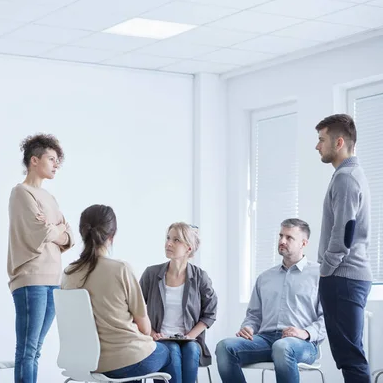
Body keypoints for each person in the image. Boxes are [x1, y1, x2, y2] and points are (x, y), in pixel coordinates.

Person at [62, 205, 180, 383]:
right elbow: (145, 329)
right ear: (112, 235)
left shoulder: (68, 273)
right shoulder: (120, 269)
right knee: (168, 351)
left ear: (82, 232)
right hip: (125, 360)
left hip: (85, 363)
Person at [216, 218, 326, 383]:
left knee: (282, 347)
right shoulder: (265, 277)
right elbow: (254, 315)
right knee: (224, 347)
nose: (282, 241)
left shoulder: (319, 275)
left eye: (289, 237)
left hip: (302, 344)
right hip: (266, 340)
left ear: (303, 243)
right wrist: (248, 327)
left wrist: (305, 333)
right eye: (281, 235)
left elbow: (329, 318)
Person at [7, 134, 75, 383]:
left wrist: (55, 230)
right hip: (30, 279)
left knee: (35, 350)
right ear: (34, 160)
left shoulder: (50, 199)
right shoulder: (21, 193)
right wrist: (55, 230)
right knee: (27, 349)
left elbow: (70, 237)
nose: (56, 165)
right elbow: (42, 232)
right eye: (52, 159)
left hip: (53, 279)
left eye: (58, 161)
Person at [315, 114, 372, 381]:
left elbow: (344, 233)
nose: (317, 146)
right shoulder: (350, 174)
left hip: (343, 278)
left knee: (350, 357)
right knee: (349, 355)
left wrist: (326, 270)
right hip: (346, 278)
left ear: (338, 142)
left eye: (321, 139)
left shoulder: (346, 178)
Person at [139, 223, 217, 383]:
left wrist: (190, 336)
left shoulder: (200, 277)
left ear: (189, 248)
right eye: (168, 238)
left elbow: (210, 313)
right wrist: (153, 333)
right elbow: (137, 310)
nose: (168, 243)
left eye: (176, 240)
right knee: (171, 350)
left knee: (191, 350)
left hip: (190, 339)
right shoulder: (151, 274)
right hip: (158, 339)